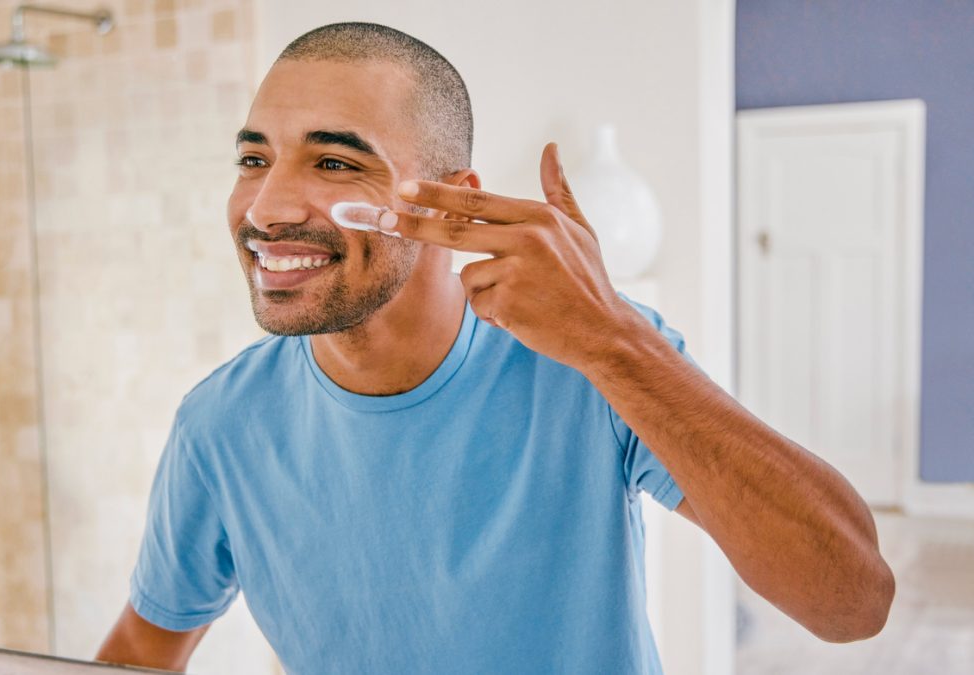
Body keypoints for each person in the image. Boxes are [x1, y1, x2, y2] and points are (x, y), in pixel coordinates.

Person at [96, 22, 894, 674]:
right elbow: (142, 648)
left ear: (452, 202)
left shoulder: (588, 362)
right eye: (254, 159)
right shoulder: (220, 425)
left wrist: (613, 338)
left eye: (335, 161)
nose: (266, 208)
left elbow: (854, 599)